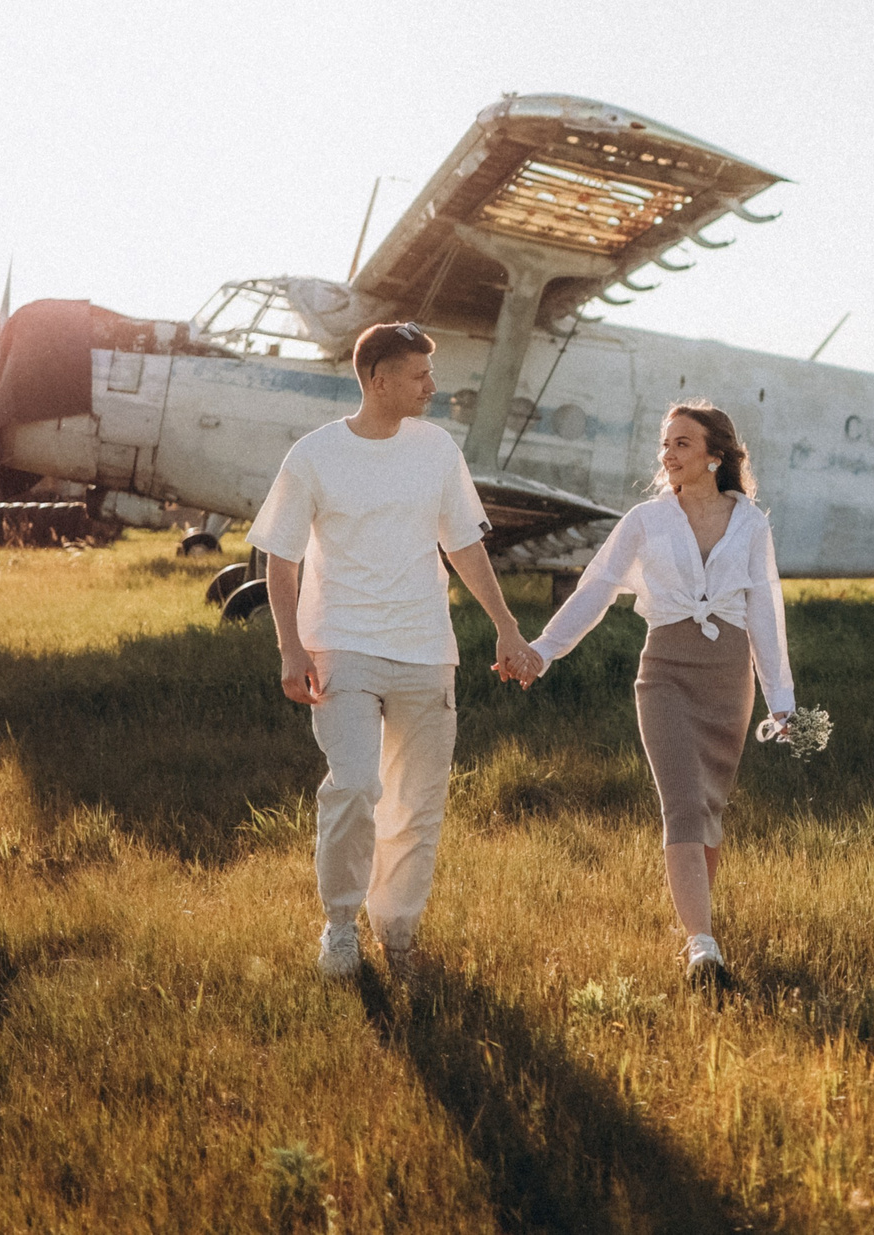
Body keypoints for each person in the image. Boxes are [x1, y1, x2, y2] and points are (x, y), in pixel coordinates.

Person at [248, 320, 541, 982]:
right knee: (354, 784)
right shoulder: (315, 454)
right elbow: (282, 558)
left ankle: (399, 926)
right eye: (419, 375)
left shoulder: (436, 450)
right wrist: (290, 648)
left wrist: (506, 625)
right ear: (377, 379)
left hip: (424, 649)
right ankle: (341, 924)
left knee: (417, 801)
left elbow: (464, 544)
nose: (432, 387)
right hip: (341, 645)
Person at [512, 401, 796, 991]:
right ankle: (702, 947)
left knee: (710, 808)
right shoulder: (646, 520)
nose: (668, 455)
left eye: (682, 444)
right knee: (684, 804)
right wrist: (544, 649)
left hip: (727, 676)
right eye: (665, 445)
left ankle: (701, 929)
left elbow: (766, 610)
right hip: (664, 670)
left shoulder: (751, 523)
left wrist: (780, 699)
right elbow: (597, 589)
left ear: (715, 454)